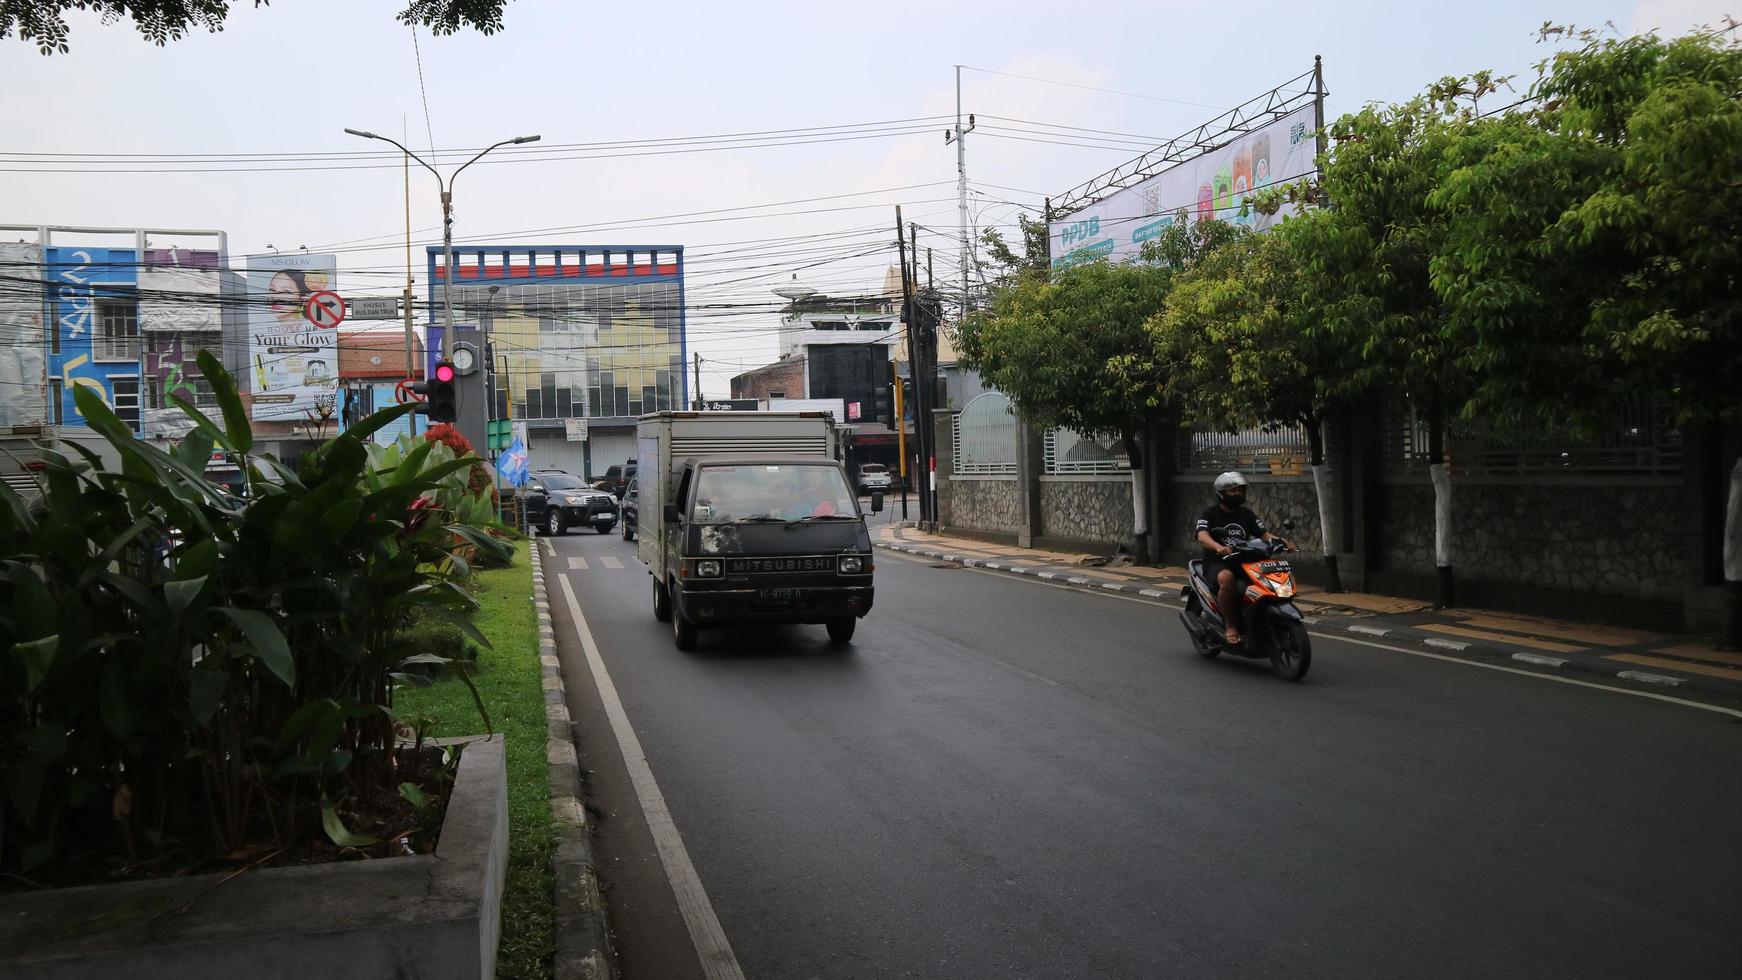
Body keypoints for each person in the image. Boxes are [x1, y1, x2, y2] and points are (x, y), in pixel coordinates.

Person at [1194, 471, 1290, 646]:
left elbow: (1265, 534)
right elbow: (1202, 536)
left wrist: (1282, 542)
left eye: (1241, 490)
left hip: (1244, 560)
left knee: (1267, 580)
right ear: (1221, 493)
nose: (1238, 494)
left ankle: (1258, 621)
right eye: (1233, 491)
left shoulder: (1247, 514)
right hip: (1217, 561)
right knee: (1227, 578)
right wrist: (1219, 547)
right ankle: (1231, 626)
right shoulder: (1209, 514)